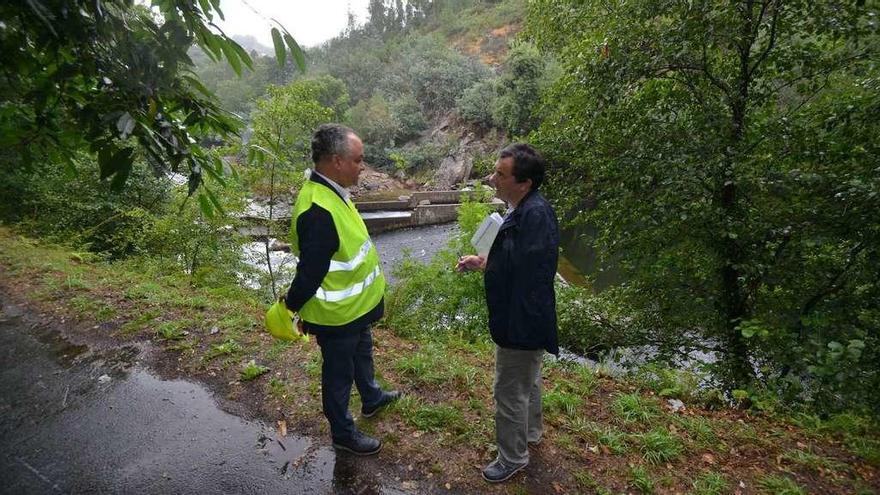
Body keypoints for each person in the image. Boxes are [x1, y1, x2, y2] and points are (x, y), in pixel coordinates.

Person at [284, 123, 399, 456]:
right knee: (338, 373)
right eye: (358, 160)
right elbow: (311, 272)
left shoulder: (332, 190)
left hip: (355, 307)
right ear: (336, 161)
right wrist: (290, 306)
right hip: (337, 314)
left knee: (363, 352)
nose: (362, 167)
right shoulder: (319, 209)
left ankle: (372, 398)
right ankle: (343, 433)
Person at [456, 143, 560, 483]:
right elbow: (516, 264)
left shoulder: (535, 216)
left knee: (509, 389)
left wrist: (516, 327)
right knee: (526, 380)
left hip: (521, 322)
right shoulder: (525, 209)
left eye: (501, 174)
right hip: (524, 320)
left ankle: (513, 457)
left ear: (524, 182)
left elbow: (530, 277)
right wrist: (484, 262)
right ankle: (529, 435)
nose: (492, 179)